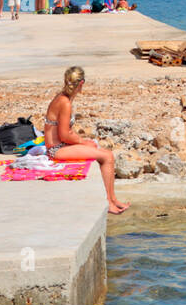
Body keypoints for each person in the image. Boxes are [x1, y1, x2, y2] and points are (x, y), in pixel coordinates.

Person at [43, 67, 129, 215]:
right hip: (57, 150)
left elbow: (65, 132)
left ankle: (113, 199)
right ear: (81, 83)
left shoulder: (62, 98)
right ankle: (108, 202)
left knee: (100, 150)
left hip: (60, 145)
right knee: (107, 156)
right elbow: (64, 134)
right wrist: (82, 142)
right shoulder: (65, 103)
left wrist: (82, 141)